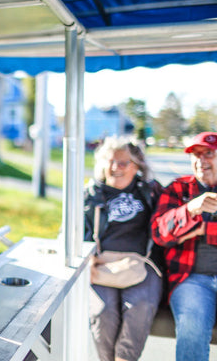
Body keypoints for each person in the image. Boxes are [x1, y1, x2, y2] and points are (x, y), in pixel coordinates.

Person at [84, 137, 163, 361]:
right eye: (110, 161)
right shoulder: (91, 194)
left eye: (123, 163)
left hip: (142, 263)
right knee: (103, 311)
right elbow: (70, 232)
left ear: (137, 166)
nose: (115, 168)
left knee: (140, 305)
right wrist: (86, 256)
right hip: (101, 263)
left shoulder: (151, 191)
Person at [152, 131, 217, 361]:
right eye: (195, 155)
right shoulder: (178, 189)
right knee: (191, 324)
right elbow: (159, 233)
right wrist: (190, 210)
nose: (201, 161)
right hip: (191, 279)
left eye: (208, 153)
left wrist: (202, 231)